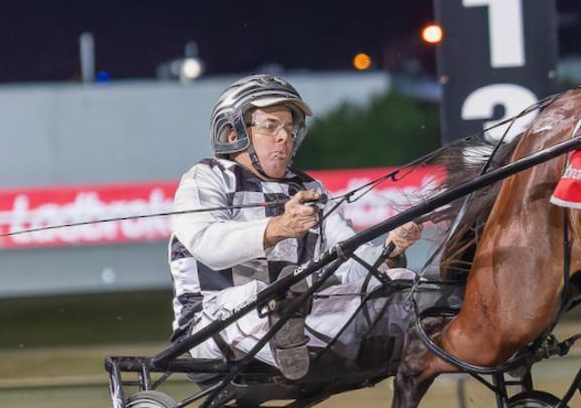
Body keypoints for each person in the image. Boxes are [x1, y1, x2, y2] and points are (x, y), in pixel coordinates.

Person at [168, 74, 421, 379]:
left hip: (297, 316)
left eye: (289, 128)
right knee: (264, 297)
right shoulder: (206, 177)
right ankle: (285, 324)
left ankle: (429, 328)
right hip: (211, 326)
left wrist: (389, 253)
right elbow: (206, 243)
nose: (284, 137)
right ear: (233, 132)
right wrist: (278, 227)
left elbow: (350, 261)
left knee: (399, 282)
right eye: (270, 126)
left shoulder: (308, 188)